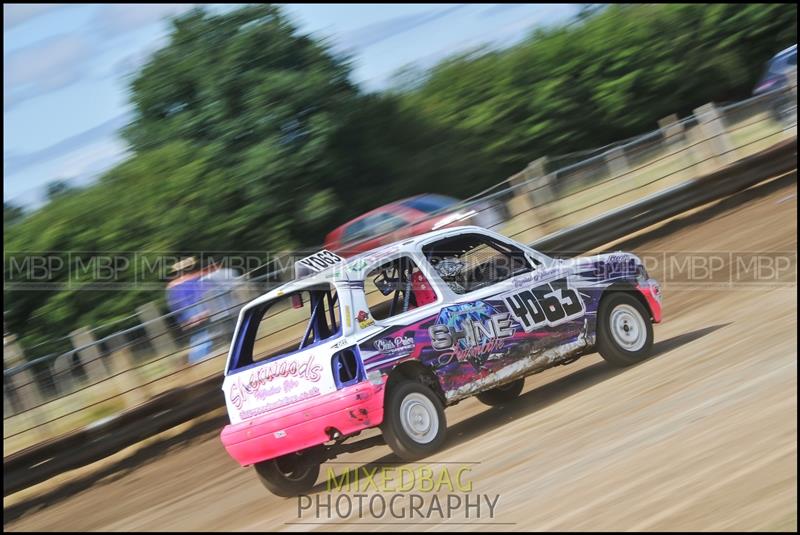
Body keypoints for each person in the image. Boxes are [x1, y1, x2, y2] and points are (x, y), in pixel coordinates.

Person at [166, 257, 212, 364]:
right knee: (202, 337)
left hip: (187, 314)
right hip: (197, 310)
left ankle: (197, 361)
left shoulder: (172, 286)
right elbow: (203, 293)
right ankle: (199, 362)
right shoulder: (196, 279)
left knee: (198, 337)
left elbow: (174, 305)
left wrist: (182, 320)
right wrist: (205, 311)